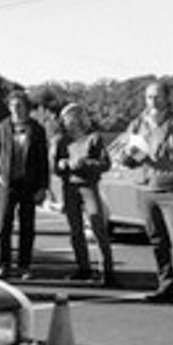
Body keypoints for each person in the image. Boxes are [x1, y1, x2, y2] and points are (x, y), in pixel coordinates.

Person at [120, 81, 173, 310]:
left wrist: (155, 145)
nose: (152, 101)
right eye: (148, 97)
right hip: (145, 188)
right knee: (157, 241)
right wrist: (130, 155)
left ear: (167, 98)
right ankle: (166, 286)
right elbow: (126, 155)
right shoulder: (137, 123)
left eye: (157, 96)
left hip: (169, 189)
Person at [52, 102, 117, 286]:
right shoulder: (61, 140)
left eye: (74, 117)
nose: (70, 121)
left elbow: (105, 164)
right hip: (69, 188)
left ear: (81, 118)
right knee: (75, 231)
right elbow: (55, 167)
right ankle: (83, 268)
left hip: (88, 187)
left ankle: (107, 271)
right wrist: (62, 165)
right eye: (66, 118)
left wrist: (85, 163)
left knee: (98, 227)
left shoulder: (94, 138)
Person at [0, 90, 49, 280]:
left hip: (29, 185)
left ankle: (24, 266)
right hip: (7, 185)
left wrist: (42, 187)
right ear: (9, 107)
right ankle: (2, 265)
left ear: (27, 108)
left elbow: (43, 160)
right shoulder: (0, 128)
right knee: (3, 226)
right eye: (14, 106)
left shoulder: (37, 129)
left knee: (27, 227)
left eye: (21, 106)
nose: (17, 110)